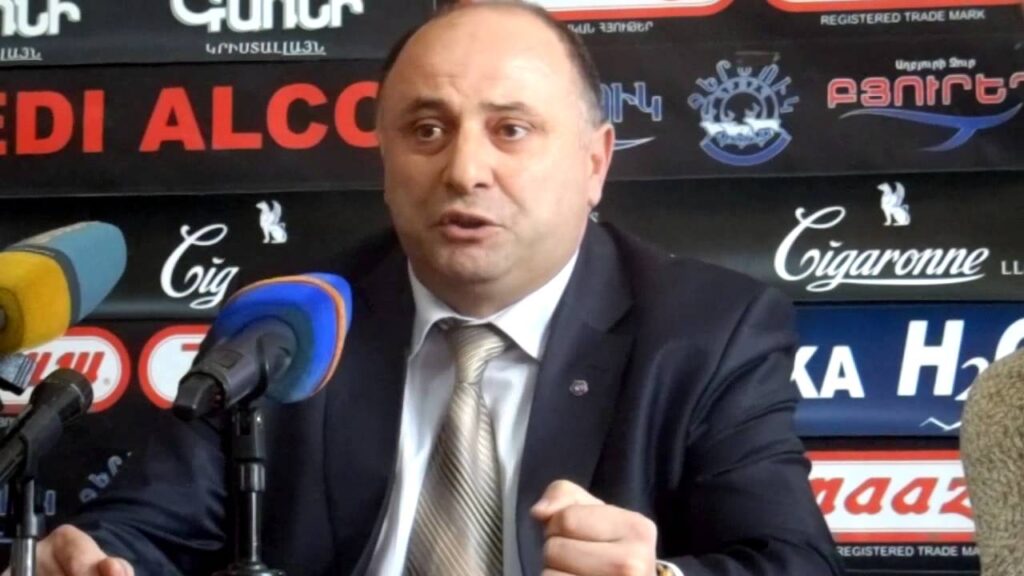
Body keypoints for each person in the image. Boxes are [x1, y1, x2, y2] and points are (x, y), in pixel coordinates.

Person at [18, 3, 844, 575]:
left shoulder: (706, 331)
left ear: (595, 162)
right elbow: (149, 529)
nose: (464, 169)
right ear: (385, 161)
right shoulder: (291, 321)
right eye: (426, 130)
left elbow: (793, 561)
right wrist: (98, 557)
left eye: (510, 129)